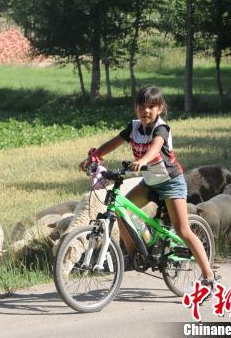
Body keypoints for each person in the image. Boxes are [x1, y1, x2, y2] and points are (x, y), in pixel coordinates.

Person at [79, 85, 219, 287]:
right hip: (150, 182)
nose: (146, 111)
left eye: (151, 107)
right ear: (136, 108)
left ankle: (209, 277)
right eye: (142, 106)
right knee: (121, 209)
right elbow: (113, 142)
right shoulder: (133, 127)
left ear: (160, 108)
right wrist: (94, 157)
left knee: (182, 230)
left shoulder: (161, 128)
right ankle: (133, 255)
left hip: (171, 183)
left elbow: (155, 148)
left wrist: (143, 160)